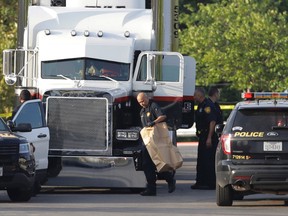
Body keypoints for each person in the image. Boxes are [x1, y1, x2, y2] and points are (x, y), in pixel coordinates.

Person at [137, 92, 176, 196]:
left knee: (158, 163)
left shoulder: (153, 106)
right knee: (146, 165)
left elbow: (163, 116)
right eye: (139, 102)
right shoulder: (142, 111)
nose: (142, 103)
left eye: (143, 101)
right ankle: (151, 189)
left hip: (156, 141)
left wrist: (153, 122)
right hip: (147, 142)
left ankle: (170, 179)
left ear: (147, 98)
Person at [191, 87, 218, 190]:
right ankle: (200, 182)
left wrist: (209, 138)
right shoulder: (201, 106)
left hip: (208, 136)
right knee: (201, 160)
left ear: (200, 95)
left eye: (195, 95)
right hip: (202, 136)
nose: (194, 97)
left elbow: (212, 121)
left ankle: (211, 183)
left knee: (209, 161)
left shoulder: (208, 106)